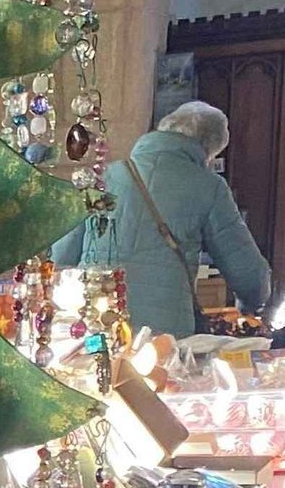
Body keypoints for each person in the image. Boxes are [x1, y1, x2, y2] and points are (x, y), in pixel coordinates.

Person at [52, 100, 271, 339]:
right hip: (162, 336)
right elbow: (247, 273)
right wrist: (252, 305)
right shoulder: (208, 186)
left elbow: (61, 257)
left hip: (94, 323)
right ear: (207, 150)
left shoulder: (101, 176)